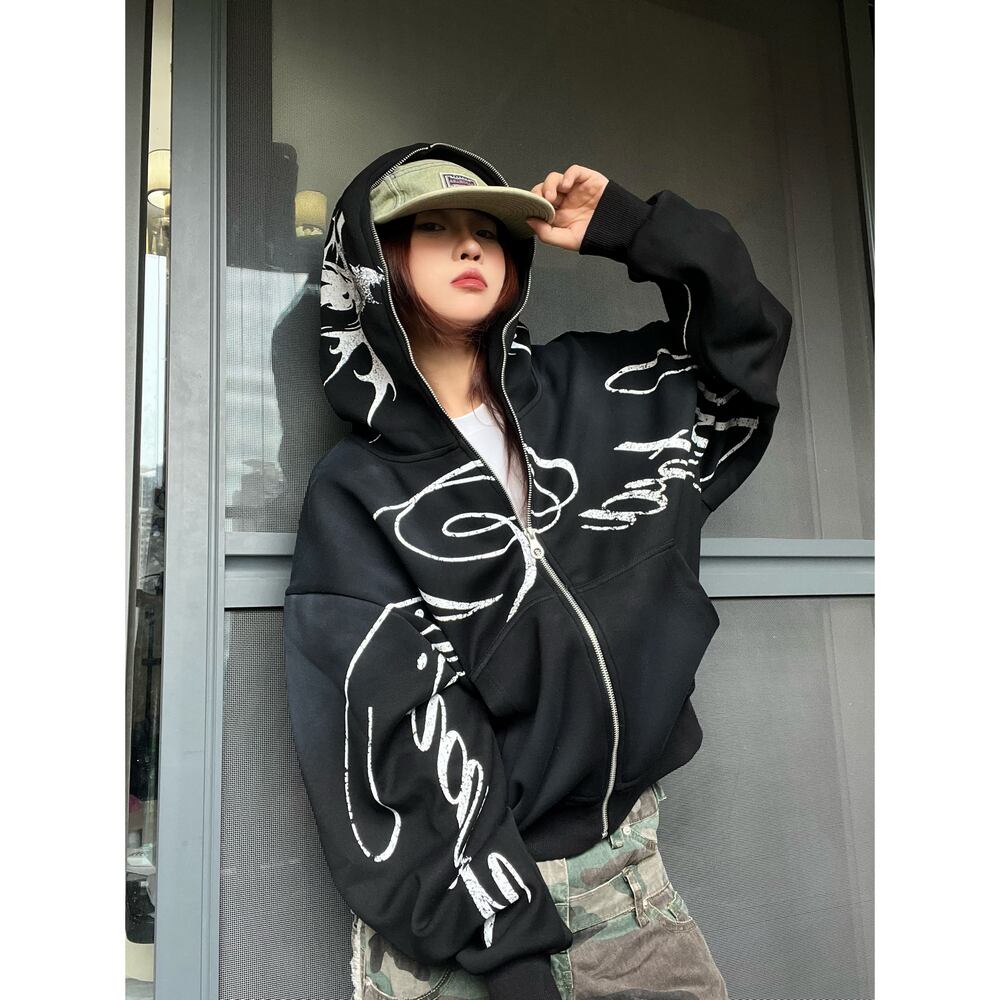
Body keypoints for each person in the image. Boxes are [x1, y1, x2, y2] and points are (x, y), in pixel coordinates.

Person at [283, 141, 793, 1000]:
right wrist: (512, 957)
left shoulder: (607, 388)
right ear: (373, 263)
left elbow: (746, 352)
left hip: (624, 882)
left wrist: (632, 229)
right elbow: (390, 730)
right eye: (432, 228)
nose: (470, 244)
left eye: (488, 229)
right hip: (458, 923)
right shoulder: (360, 489)